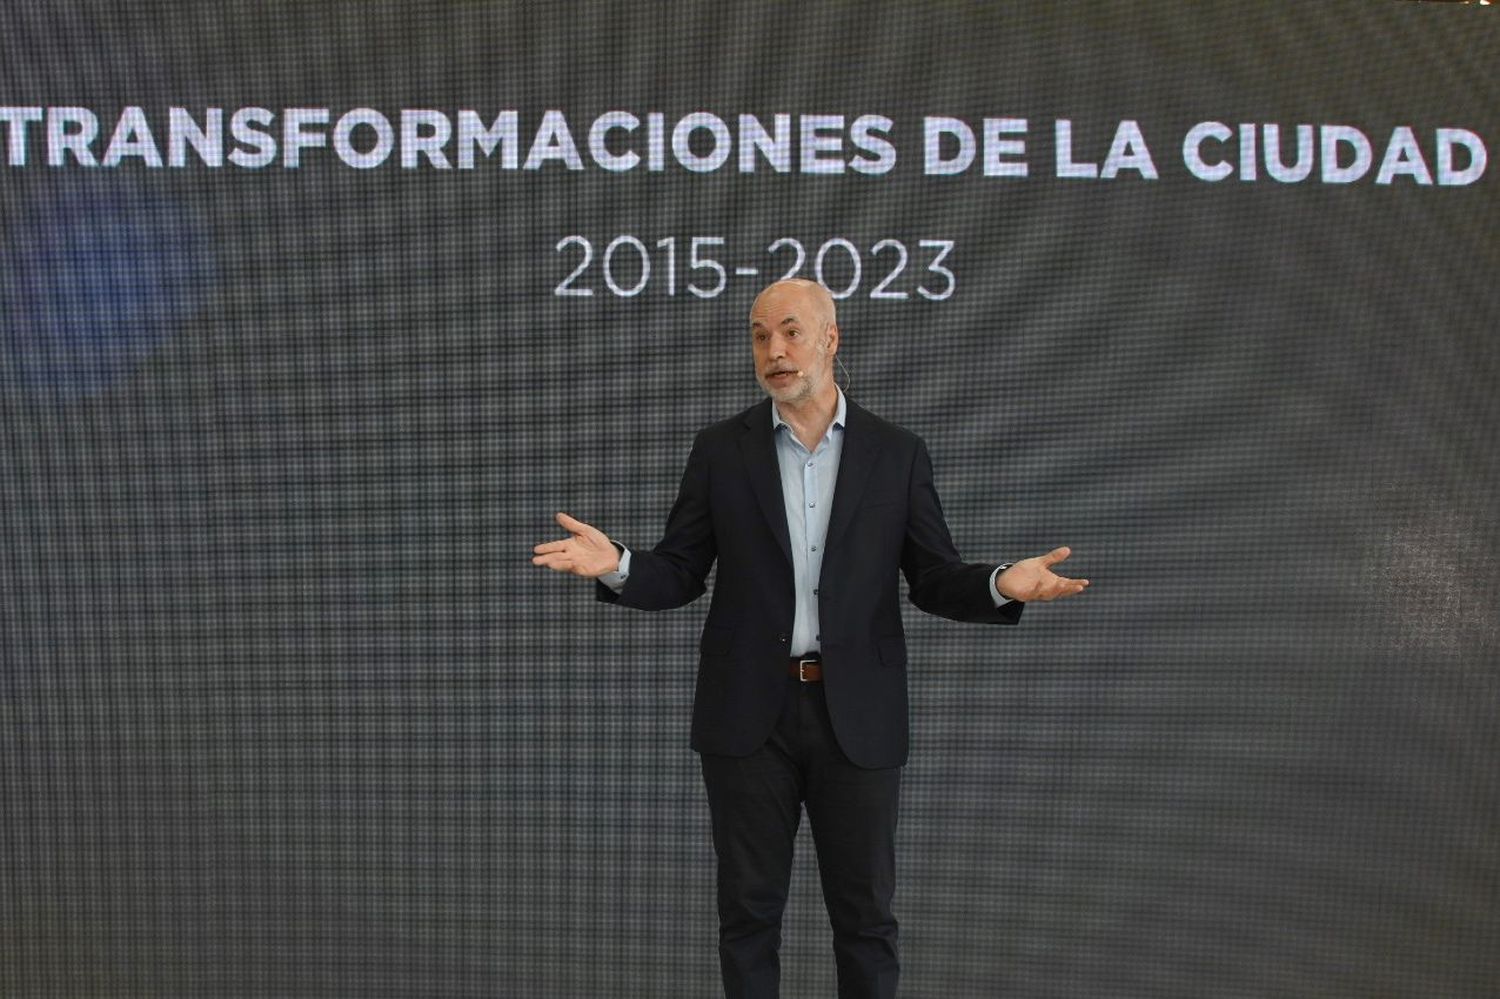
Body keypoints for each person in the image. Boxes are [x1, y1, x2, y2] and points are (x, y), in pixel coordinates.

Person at [532, 279, 1088, 998]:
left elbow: (933, 576)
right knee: (748, 917)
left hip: (857, 715)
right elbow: (679, 572)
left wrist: (1001, 583)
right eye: (761, 336)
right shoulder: (719, 451)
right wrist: (621, 566)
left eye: (792, 332)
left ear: (832, 338)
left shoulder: (897, 454)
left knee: (866, 920)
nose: (775, 350)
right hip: (746, 719)